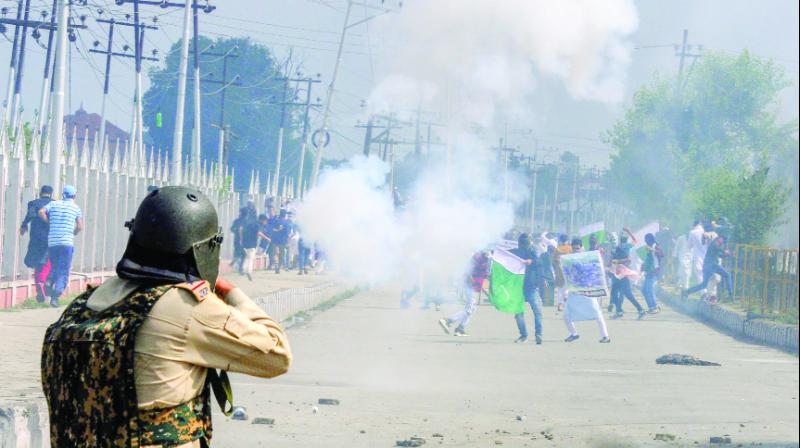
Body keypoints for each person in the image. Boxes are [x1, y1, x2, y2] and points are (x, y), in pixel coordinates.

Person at [40, 186, 292, 447]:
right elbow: (277, 355)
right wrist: (232, 294)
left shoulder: (86, 303)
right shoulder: (188, 305)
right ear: (204, 248)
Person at [38, 185, 83, 307]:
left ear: (63, 194)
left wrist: (49, 222)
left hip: (53, 243)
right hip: (66, 243)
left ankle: (48, 281)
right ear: (74, 196)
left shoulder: (54, 204)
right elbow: (79, 226)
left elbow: (41, 212)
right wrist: (73, 233)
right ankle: (55, 297)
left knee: (54, 266)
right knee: (63, 271)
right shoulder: (76, 208)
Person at [562, 239, 611, 343]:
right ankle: (573, 334)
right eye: (574, 248)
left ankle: (605, 336)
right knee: (566, 314)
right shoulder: (568, 259)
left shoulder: (588, 257)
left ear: (582, 247)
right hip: (574, 291)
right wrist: (566, 291)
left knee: (597, 313)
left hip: (588, 291)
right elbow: (568, 276)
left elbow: (597, 271)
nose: (576, 250)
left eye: (577, 248)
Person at [438, 251, 491, 336]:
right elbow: (470, 270)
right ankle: (448, 321)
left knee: (472, 308)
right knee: (469, 310)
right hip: (471, 286)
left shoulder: (483, 258)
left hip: (473, 286)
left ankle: (460, 329)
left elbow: (484, 274)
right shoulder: (480, 258)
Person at [20, 185, 54, 303]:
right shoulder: (54, 204)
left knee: (36, 262)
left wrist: (24, 225)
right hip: (49, 237)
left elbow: (30, 216)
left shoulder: (33, 203)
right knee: (47, 261)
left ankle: (39, 283)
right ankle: (42, 282)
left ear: (40, 193)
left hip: (35, 237)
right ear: (50, 194)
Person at [512, 234, 545, 345]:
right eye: (522, 243)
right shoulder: (517, 251)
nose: (523, 246)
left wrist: (531, 261)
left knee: (537, 312)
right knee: (519, 314)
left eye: (525, 243)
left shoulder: (534, 251)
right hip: (518, 287)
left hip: (531, 286)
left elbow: (539, 263)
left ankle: (538, 334)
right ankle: (524, 335)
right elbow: (506, 255)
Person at [684, 227, 733, 301]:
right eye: (723, 239)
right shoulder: (715, 242)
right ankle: (687, 292)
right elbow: (715, 247)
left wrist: (727, 255)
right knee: (704, 285)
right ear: (721, 237)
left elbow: (719, 255)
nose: (723, 241)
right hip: (709, 266)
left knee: (727, 275)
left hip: (713, 265)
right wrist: (724, 251)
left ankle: (730, 295)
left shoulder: (718, 244)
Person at [608, 228, 646, 320]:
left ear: (618, 240)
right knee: (615, 292)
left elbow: (628, 260)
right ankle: (619, 310)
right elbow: (612, 261)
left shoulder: (622, 248)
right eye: (611, 239)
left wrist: (618, 261)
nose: (612, 241)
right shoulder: (615, 249)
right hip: (617, 273)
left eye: (614, 240)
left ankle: (639, 310)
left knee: (626, 294)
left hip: (623, 273)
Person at [640, 233, 663, 313]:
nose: (645, 241)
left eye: (646, 239)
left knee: (649, 289)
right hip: (649, 271)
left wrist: (652, 250)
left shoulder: (656, 246)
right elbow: (648, 259)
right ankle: (651, 307)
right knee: (643, 289)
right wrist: (643, 266)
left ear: (650, 239)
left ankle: (655, 306)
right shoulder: (648, 248)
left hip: (654, 271)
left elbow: (662, 254)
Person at [553, 234, 572, 311]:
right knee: (567, 287)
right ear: (567, 240)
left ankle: (560, 303)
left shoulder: (557, 249)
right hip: (568, 270)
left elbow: (554, 260)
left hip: (559, 270)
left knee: (560, 288)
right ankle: (566, 297)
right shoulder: (570, 248)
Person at [240, 210, 260, 281]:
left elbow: (241, 230)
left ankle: (243, 269)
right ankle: (249, 272)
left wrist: (241, 239)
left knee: (247, 257)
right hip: (253, 244)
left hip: (245, 243)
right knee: (251, 259)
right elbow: (258, 234)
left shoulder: (246, 223)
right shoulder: (257, 224)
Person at [688, 220, 707, 286]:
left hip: (698, 256)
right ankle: (709, 293)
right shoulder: (705, 231)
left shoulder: (692, 232)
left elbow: (689, 245)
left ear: (694, 225)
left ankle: (704, 292)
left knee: (699, 274)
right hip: (707, 256)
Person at [229, 208, 248, 274]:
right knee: (242, 254)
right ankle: (239, 268)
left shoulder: (237, 221)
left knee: (240, 254)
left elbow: (231, 229)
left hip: (237, 240)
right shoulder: (246, 221)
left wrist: (236, 231)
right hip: (242, 241)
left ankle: (235, 264)